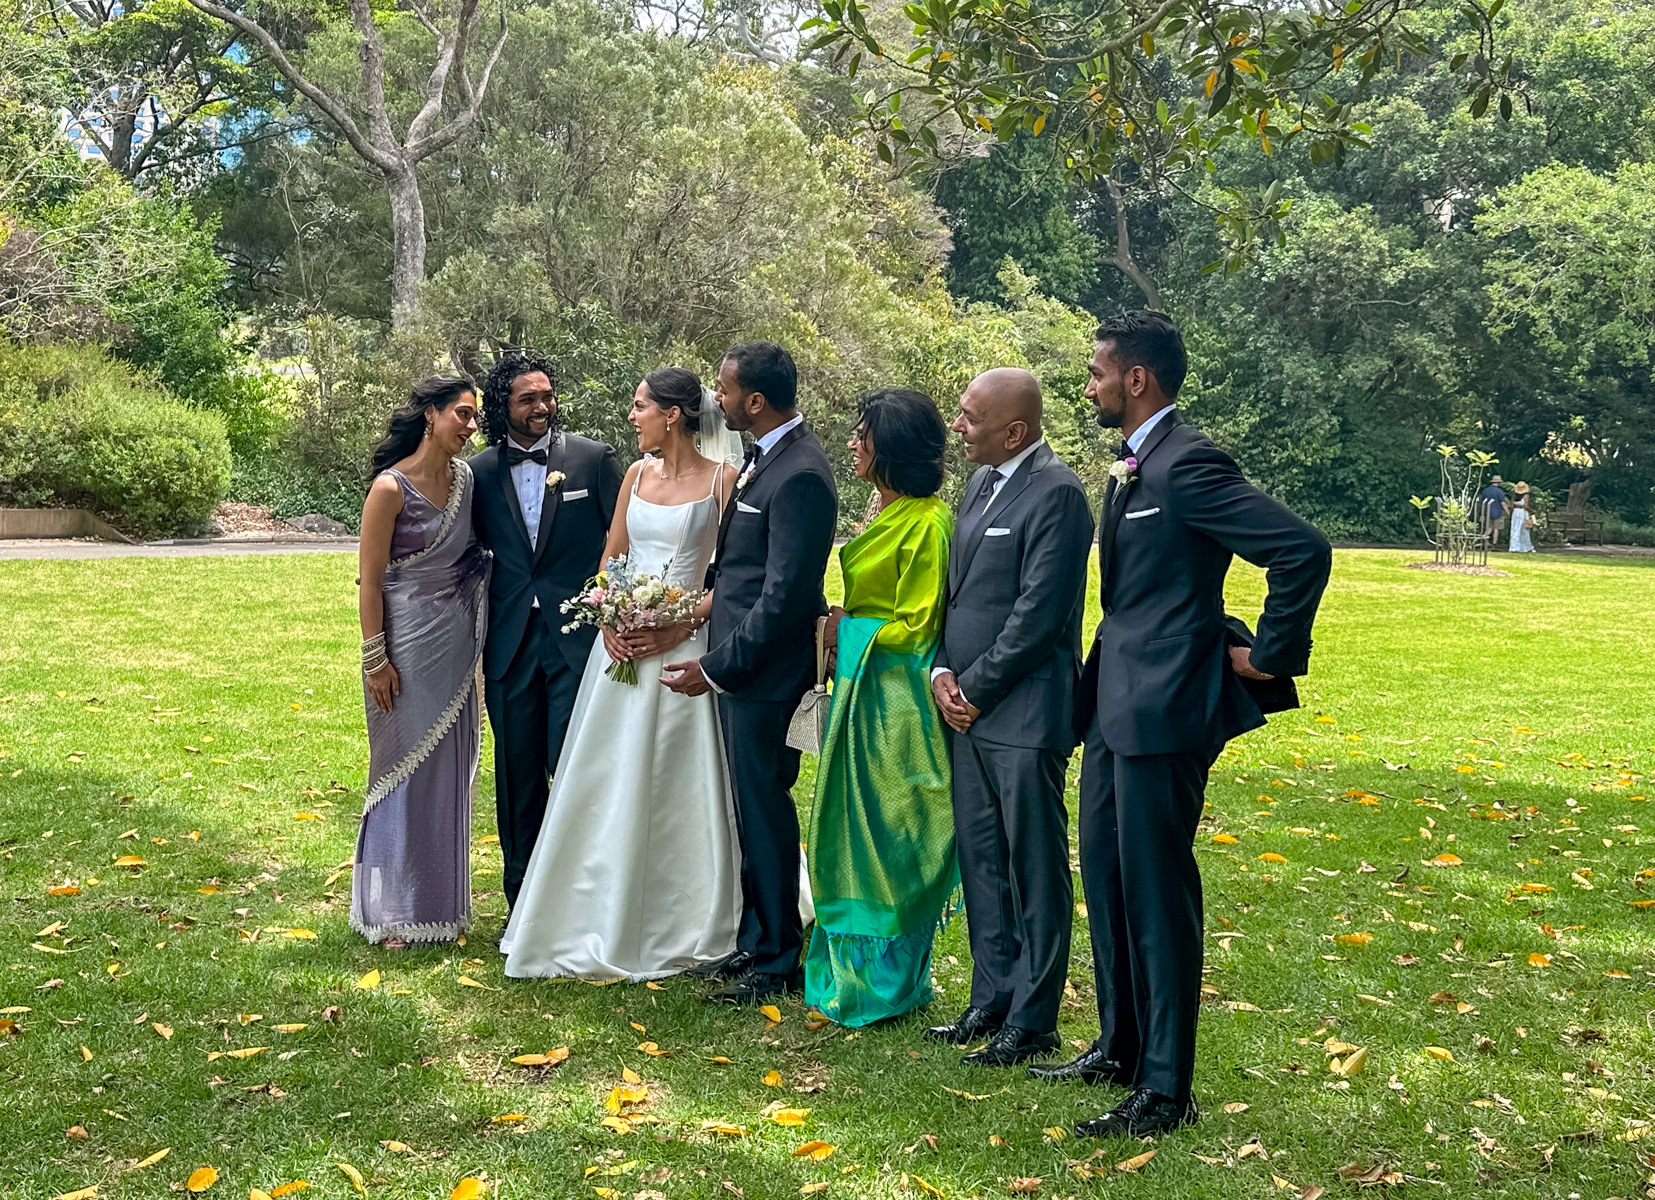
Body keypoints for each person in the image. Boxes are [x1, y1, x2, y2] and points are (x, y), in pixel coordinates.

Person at [1052, 311, 1331, 1139]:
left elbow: (1300, 549)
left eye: (1097, 372)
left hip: (1166, 709)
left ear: (1135, 379)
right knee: (1106, 875)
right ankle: (1118, 1046)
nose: (1090, 386)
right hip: (1113, 705)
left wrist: (1271, 654)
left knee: (1155, 891)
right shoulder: (1132, 464)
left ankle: (1165, 1088)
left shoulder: (1189, 463)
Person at [500, 368, 744, 980]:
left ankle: (686, 911)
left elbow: (732, 578)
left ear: (673, 415)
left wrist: (679, 624)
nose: (632, 417)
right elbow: (612, 558)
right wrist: (610, 617)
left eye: (641, 407)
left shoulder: (723, 481)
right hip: (621, 647)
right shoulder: (635, 475)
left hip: (683, 646)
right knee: (605, 774)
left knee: (681, 779)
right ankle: (590, 903)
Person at [924, 368, 1095, 1065]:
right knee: (982, 859)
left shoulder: (1057, 493)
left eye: (970, 416)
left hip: (1022, 711)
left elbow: (1037, 616)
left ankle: (1033, 1018)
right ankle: (989, 999)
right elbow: (958, 596)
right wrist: (941, 671)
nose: (957, 426)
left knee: (1033, 865)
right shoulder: (977, 483)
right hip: (965, 707)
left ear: (1015, 431)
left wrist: (975, 689)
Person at [661, 342, 838, 1005]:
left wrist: (718, 667)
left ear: (755, 401)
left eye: (726, 389)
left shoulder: (801, 474)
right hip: (744, 669)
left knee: (764, 810)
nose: (718, 398)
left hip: (765, 675)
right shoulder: (766, 459)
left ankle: (777, 960)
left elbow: (785, 596)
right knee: (748, 809)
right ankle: (755, 938)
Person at [803, 388, 957, 1026]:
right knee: (846, 827)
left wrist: (846, 628)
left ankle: (889, 981)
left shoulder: (929, 523)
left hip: (898, 705)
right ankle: (848, 971)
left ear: (889, 446)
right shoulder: (884, 509)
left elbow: (918, 627)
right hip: (860, 695)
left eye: (861, 434)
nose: (851, 443)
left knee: (892, 834)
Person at [469, 351, 625, 914]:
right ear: (502, 407)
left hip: (577, 643)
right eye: (528, 399)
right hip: (509, 644)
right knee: (517, 778)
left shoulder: (593, 460)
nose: (542, 407)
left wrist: (614, 612)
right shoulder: (479, 473)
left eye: (547, 396)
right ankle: (522, 907)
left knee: (578, 768)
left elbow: (623, 543)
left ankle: (585, 905)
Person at [353, 375, 491, 947]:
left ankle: (438, 908)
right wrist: (375, 659)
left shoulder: (467, 481)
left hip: (454, 650)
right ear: (430, 416)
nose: (470, 425)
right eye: (461, 413)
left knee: (448, 772)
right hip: (403, 650)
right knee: (401, 772)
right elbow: (369, 581)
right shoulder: (390, 489)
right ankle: (391, 914)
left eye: (475, 416)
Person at [1480, 475, 1508, 548]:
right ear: (1499, 482)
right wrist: (1508, 512)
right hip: (1497, 512)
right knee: (1496, 528)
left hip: (1487, 511)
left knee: (1489, 528)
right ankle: (1494, 544)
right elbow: (1503, 503)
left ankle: (1484, 540)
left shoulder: (1486, 490)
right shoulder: (1499, 491)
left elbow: (1483, 502)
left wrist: (1482, 513)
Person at [1509, 482, 1535, 552]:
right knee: (1524, 530)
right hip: (1522, 512)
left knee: (1515, 529)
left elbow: (1511, 506)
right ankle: (1526, 547)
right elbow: (1526, 506)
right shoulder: (1526, 496)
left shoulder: (1514, 496)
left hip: (1515, 512)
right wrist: (1531, 511)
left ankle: (1514, 547)